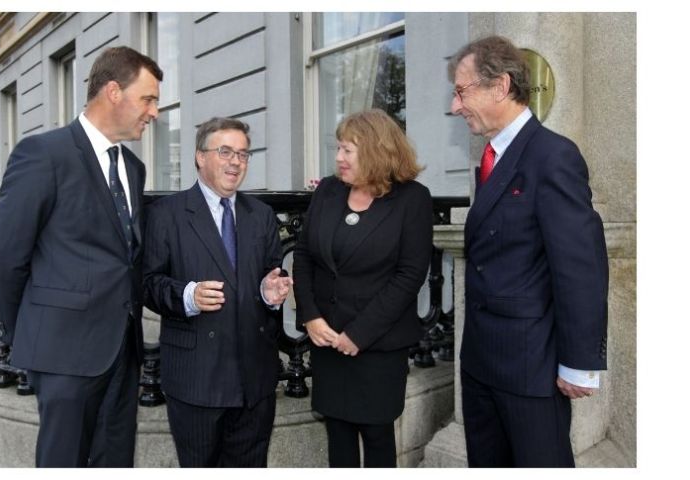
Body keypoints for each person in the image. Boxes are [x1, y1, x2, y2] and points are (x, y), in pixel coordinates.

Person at [0, 46, 162, 467]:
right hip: (62, 353)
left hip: (122, 350)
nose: (154, 112)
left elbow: (126, 258)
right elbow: (5, 258)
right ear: (114, 92)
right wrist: (32, 333)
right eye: (148, 99)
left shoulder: (133, 169)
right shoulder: (43, 154)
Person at [447, 35, 609, 467]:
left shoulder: (552, 155)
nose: (454, 105)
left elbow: (579, 266)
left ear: (500, 86)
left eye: (461, 91)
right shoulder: (490, 159)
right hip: (481, 364)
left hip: (529, 371)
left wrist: (578, 362)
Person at [143, 117, 293, 467]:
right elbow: (148, 283)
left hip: (255, 381)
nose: (236, 161)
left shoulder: (262, 215)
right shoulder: (167, 214)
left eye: (243, 153)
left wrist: (270, 293)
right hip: (197, 380)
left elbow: (271, 274)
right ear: (199, 157)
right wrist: (187, 296)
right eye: (225, 151)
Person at [293, 109, 433, 467]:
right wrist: (310, 316)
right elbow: (305, 255)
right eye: (338, 149)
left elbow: (409, 275)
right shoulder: (327, 190)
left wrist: (358, 334)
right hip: (327, 339)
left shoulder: (412, 199)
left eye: (347, 150)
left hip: (378, 344)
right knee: (337, 430)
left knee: (376, 435)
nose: (338, 158)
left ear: (375, 150)